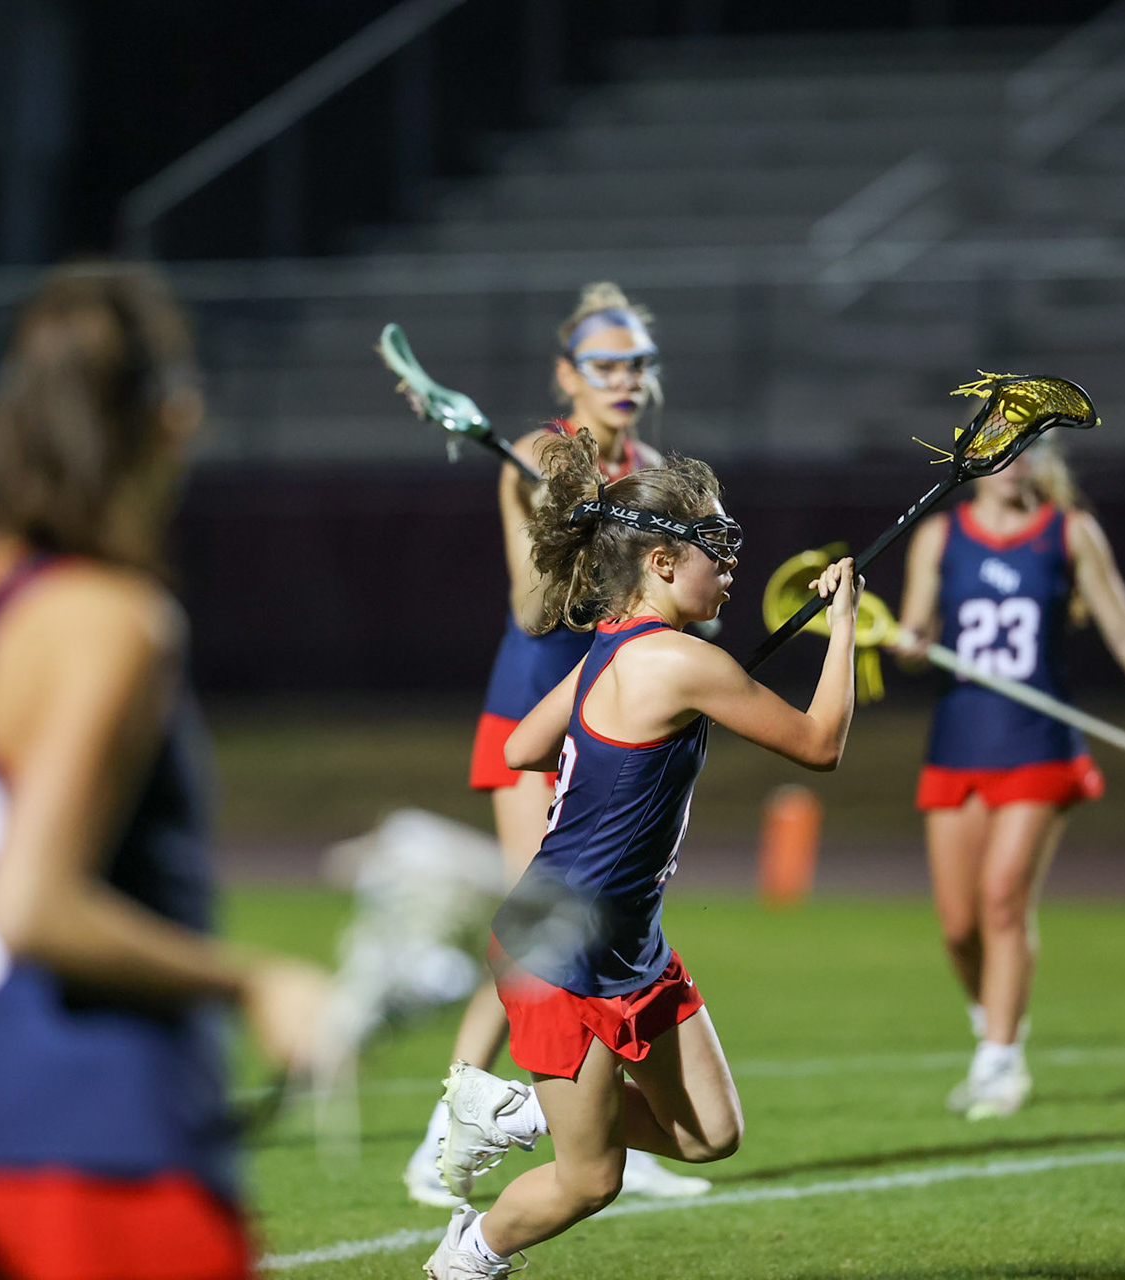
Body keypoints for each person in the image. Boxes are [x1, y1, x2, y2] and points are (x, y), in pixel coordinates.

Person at [0, 262, 332, 1280]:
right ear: (169, 414)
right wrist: (256, 979)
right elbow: (32, 904)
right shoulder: (118, 618)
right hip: (123, 1167)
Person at [421, 433, 861, 1278]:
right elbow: (819, 743)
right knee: (592, 1181)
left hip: (627, 943)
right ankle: (465, 1261)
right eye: (717, 548)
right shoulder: (676, 660)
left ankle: (517, 1111)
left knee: (710, 1135)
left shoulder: (619, 644)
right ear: (661, 561)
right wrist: (842, 621)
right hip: (560, 951)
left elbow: (522, 747)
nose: (732, 565)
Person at [405, 283, 710, 1204]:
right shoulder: (537, 458)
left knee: (598, 923)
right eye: (606, 364)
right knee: (540, 929)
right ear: (568, 375)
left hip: (612, 713)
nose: (625, 378)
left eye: (637, 363)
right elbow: (535, 614)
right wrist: (560, 523)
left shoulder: (651, 468)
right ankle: (443, 1129)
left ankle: (602, 1128)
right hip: (536, 710)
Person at [891, 443, 1125, 1120]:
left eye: (1027, 446)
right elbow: (916, 628)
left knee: (1003, 896)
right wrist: (906, 641)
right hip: (960, 741)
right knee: (957, 926)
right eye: (1000, 447)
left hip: (1038, 744)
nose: (1014, 460)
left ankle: (1002, 1061)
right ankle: (994, 1023)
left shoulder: (1070, 532)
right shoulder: (939, 535)